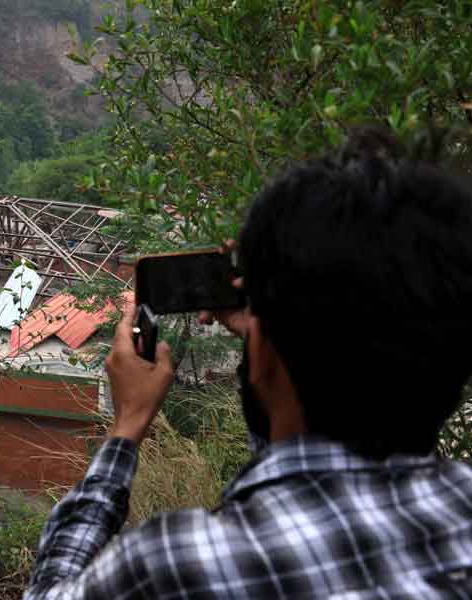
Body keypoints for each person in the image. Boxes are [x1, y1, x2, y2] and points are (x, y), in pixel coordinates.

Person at [24, 129, 472, 599]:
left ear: (260, 355)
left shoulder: (178, 567)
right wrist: (270, 353)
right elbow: (311, 483)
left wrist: (126, 429)